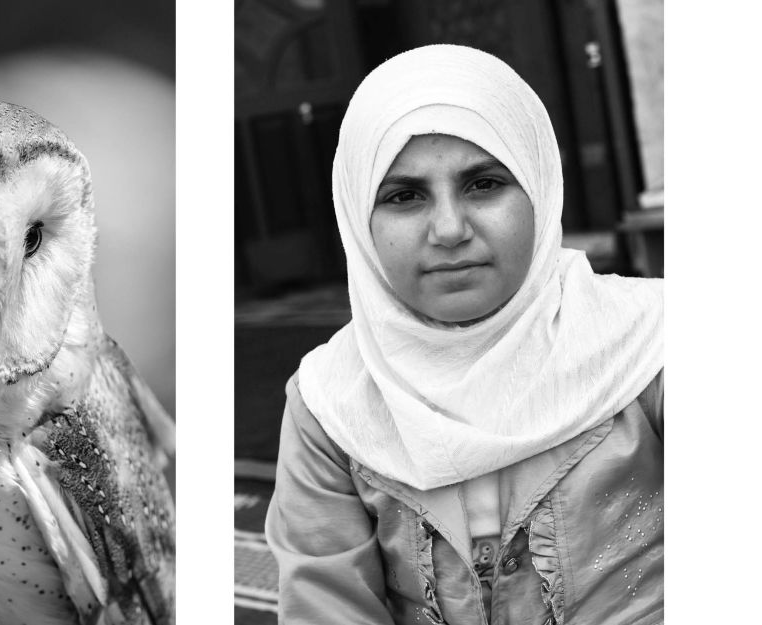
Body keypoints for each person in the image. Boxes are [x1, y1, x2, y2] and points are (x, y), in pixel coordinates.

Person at [265, 44, 663, 625]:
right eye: (404, 196)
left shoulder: (653, 344)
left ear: (540, 187)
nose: (449, 229)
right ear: (357, 218)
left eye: (483, 184)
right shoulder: (330, 403)